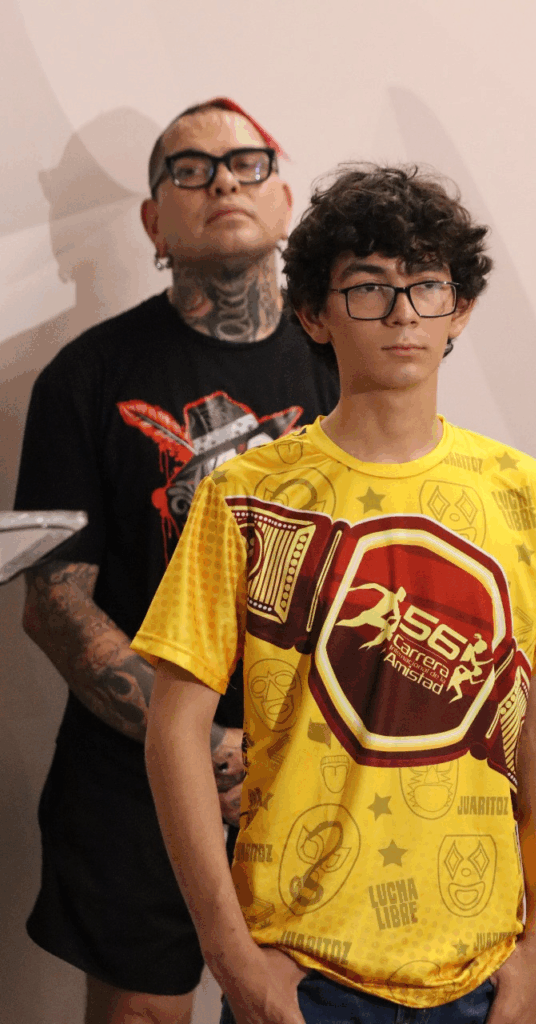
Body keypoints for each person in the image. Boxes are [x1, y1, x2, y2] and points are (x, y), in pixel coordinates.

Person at [132, 164, 536, 1024]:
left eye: (427, 285)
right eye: (370, 288)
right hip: (299, 970)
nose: (402, 313)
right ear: (315, 313)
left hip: (479, 970)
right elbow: (175, 724)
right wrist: (229, 954)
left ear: (460, 308)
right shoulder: (246, 494)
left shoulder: (525, 493)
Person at [15, 97, 339, 1024]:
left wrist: (279, 747)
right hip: (134, 778)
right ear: (155, 222)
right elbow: (53, 603)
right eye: (189, 170)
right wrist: (198, 744)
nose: (223, 181)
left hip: (319, 766)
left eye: (246, 162)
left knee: (309, 1011)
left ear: (283, 201)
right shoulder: (82, 377)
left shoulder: (349, 364)